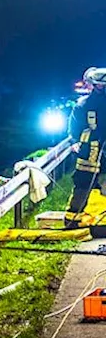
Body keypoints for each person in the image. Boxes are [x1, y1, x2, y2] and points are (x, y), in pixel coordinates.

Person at [64, 67, 106, 228]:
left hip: (94, 150)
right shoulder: (83, 105)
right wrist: (75, 143)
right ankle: (72, 220)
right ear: (95, 86)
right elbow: (74, 129)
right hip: (90, 151)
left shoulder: (85, 104)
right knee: (83, 184)